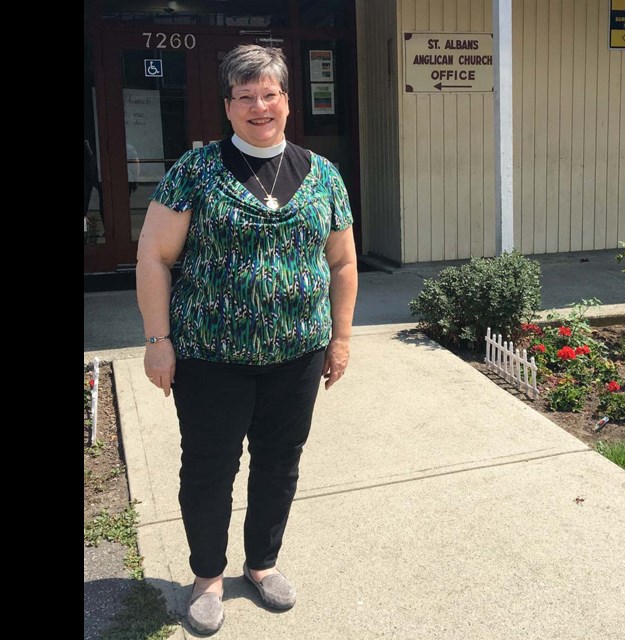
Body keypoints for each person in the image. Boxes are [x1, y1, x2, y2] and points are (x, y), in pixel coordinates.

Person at [135, 44, 358, 636]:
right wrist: (158, 340)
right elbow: (154, 257)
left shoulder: (324, 174)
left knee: (280, 463)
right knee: (209, 467)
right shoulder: (195, 171)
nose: (259, 106)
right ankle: (207, 577)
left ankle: (262, 563)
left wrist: (340, 339)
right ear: (227, 106)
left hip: (298, 355)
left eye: (270, 94)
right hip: (211, 358)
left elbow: (341, 264)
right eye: (245, 96)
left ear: (287, 100)